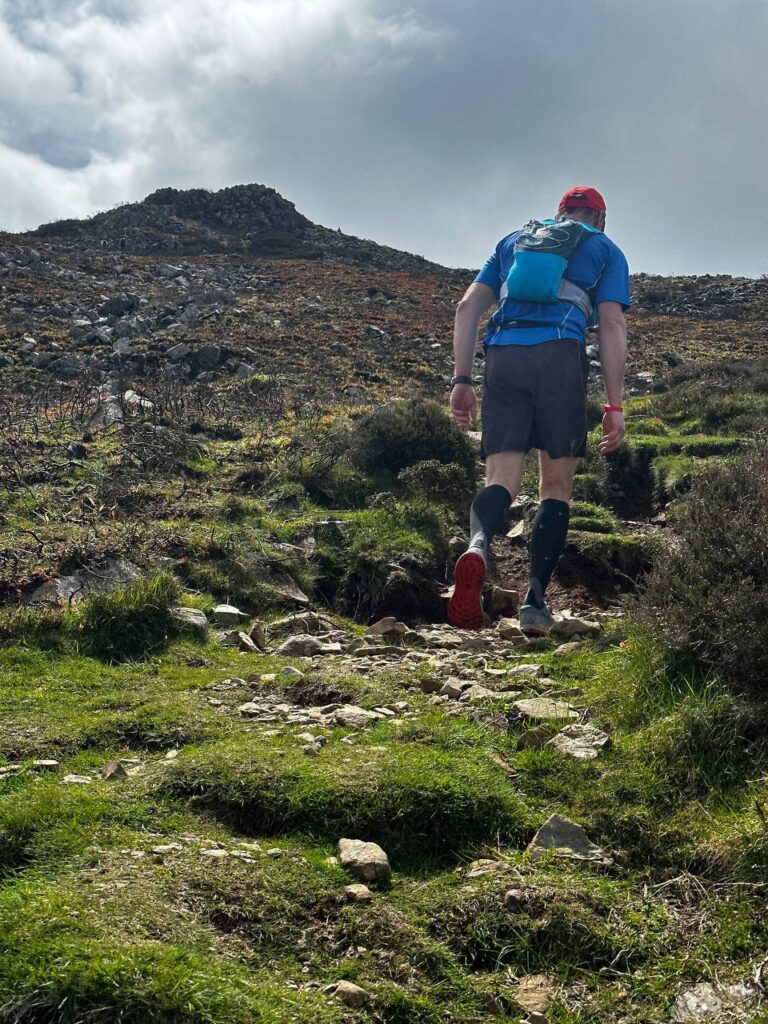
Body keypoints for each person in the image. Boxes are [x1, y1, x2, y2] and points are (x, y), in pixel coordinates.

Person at [447, 186, 630, 635]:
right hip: (560, 358)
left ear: (559, 213)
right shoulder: (605, 249)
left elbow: (467, 308)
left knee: (501, 480)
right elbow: (610, 323)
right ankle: (533, 603)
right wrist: (614, 404)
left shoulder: (514, 241)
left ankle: (477, 546)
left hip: (504, 356)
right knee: (555, 487)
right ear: (600, 219)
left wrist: (462, 381)